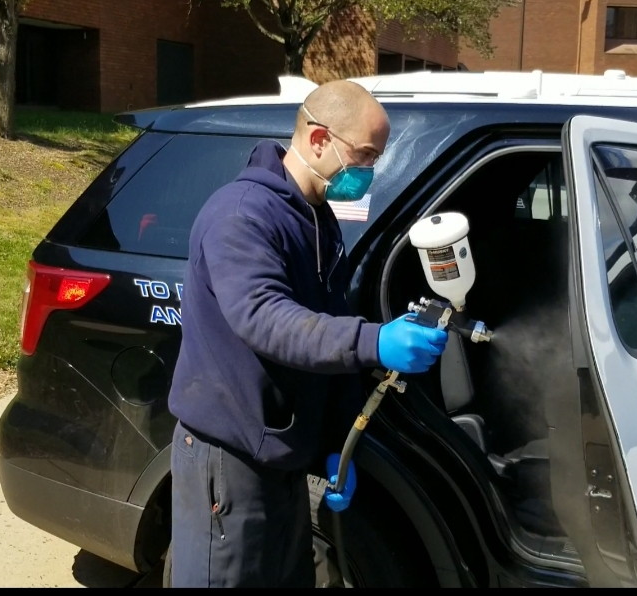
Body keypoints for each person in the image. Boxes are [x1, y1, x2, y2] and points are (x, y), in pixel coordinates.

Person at [164, 79, 449, 588]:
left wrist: (338, 440)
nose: (368, 172)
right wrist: (374, 341)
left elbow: (323, 323)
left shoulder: (314, 218)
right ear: (318, 139)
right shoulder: (241, 214)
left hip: (281, 457)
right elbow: (265, 318)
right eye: (365, 156)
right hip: (229, 460)